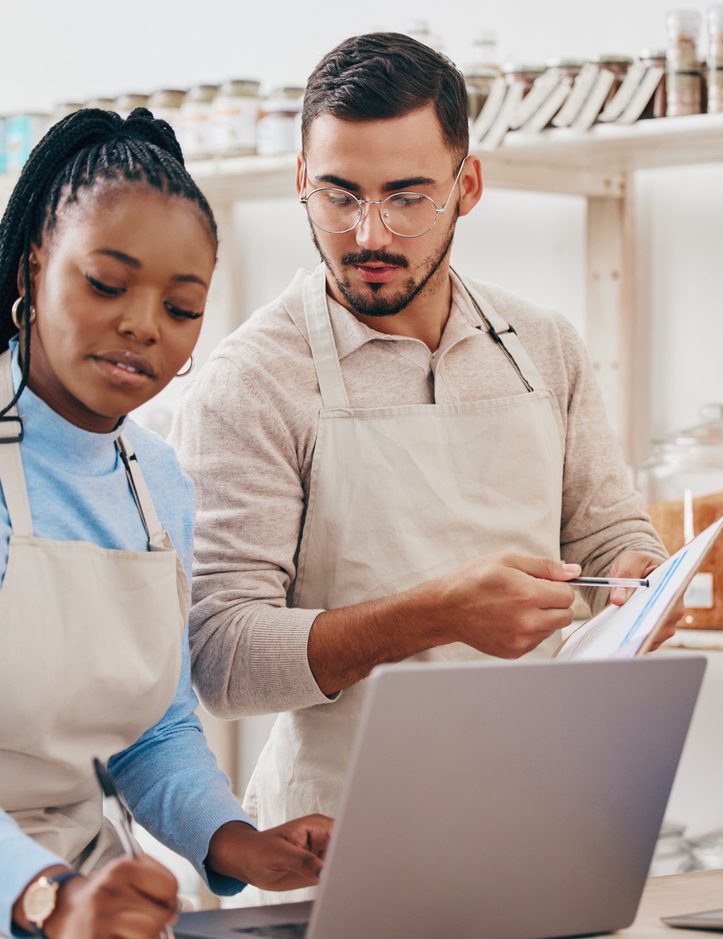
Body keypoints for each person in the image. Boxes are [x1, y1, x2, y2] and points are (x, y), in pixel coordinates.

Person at [170, 33, 676, 904]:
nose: (370, 234)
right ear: (301, 179)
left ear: (466, 188)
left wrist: (638, 577)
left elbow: (611, 532)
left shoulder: (544, 346)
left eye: (408, 198)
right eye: (339, 196)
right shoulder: (250, 381)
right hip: (341, 850)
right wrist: (435, 614)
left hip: (550, 819)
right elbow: (221, 657)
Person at [0, 108, 331, 939]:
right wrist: (44, 895)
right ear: (36, 261)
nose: (144, 325)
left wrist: (240, 843)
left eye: (181, 308)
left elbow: (154, 728)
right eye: (107, 285)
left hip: (92, 898)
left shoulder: (158, 482)